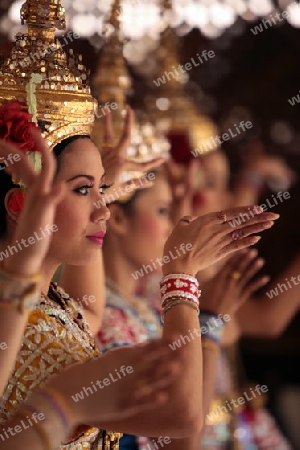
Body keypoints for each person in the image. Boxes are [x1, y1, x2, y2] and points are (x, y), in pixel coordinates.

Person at [0, 2, 277, 449]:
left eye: (103, 191)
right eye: (82, 189)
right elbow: (184, 424)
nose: (104, 209)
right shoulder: (19, 313)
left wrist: (97, 188)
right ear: (19, 202)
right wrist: (182, 279)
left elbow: (85, 312)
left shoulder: (55, 307)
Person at [97, 163, 278, 450]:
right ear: (117, 218)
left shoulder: (137, 307)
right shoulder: (108, 318)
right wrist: (207, 321)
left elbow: (229, 333)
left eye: (174, 213)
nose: (172, 228)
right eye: (162, 212)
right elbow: (183, 442)